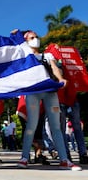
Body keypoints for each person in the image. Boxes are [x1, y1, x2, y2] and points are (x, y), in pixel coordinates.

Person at [16, 30, 81, 171]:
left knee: (56, 126)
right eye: (32, 38)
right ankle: (24, 158)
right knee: (31, 125)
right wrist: (16, 35)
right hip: (33, 92)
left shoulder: (47, 55)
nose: (35, 39)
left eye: (36, 37)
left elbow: (53, 67)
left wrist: (60, 79)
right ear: (26, 41)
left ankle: (64, 159)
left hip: (50, 92)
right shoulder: (24, 55)